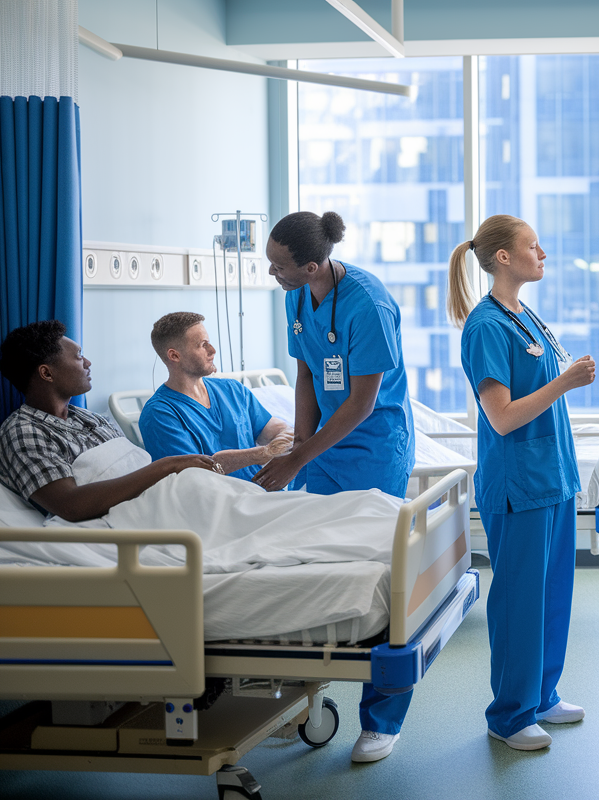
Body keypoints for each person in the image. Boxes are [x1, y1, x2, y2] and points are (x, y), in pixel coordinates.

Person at [257, 210, 416, 764]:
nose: (271, 271)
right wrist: (301, 445)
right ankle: (304, 694)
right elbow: (305, 371)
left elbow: (361, 402)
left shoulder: (367, 303)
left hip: (372, 446)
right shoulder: (295, 296)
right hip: (323, 445)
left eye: (279, 265)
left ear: (312, 263)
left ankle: (382, 720)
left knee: (379, 578)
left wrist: (302, 454)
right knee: (318, 566)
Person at [450, 215, 595, 752]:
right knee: (519, 604)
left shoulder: (525, 315)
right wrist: (565, 381)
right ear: (504, 258)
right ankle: (509, 715)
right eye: (533, 245)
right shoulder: (486, 325)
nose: (543, 252)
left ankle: (542, 694)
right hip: (517, 487)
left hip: (552, 480)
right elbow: (503, 417)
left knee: (554, 595)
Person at [0, 320, 215, 520]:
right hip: (132, 522)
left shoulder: (91, 419)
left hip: (162, 503)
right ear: (47, 373)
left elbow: (131, 468)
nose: (87, 362)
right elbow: (70, 505)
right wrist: (167, 466)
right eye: (78, 356)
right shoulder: (23, 431)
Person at [139, 312, 294, 483]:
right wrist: (262, 454)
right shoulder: (159, 413)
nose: (212, 350)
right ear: (174, 355)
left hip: (262, 493)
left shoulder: (232, 390)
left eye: (209, 343)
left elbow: (277, 429)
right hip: (216, 501)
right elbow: (193, 472)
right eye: (202, 345)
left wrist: (281, 441)